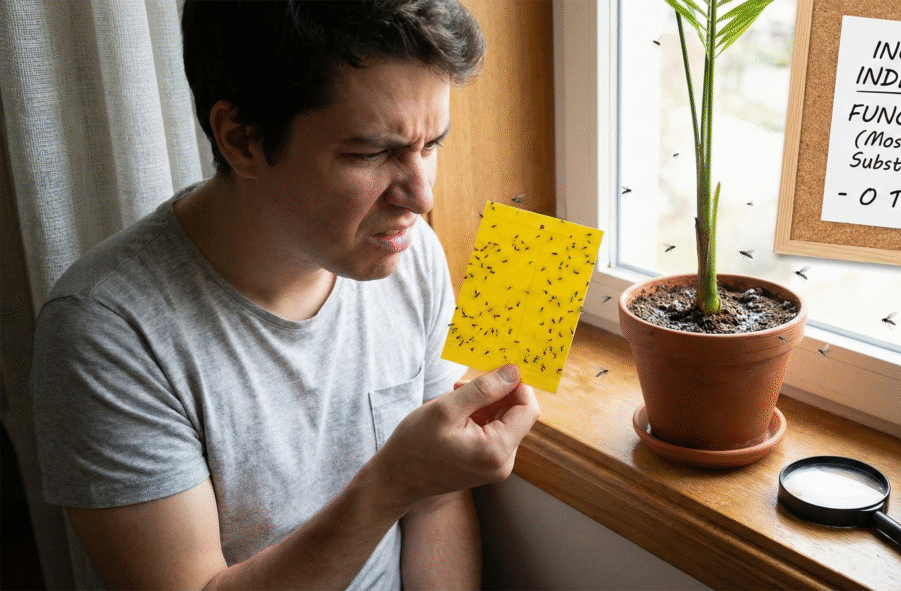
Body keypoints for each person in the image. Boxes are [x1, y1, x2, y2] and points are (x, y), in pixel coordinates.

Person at [30, 1, 540, 588]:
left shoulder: (407, 251)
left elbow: (437, 505)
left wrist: (417, 483)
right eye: (371, 152)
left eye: (430, 146)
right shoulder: (107, 331)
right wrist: (390, 485)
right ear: (241, 139)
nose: (420, 197)